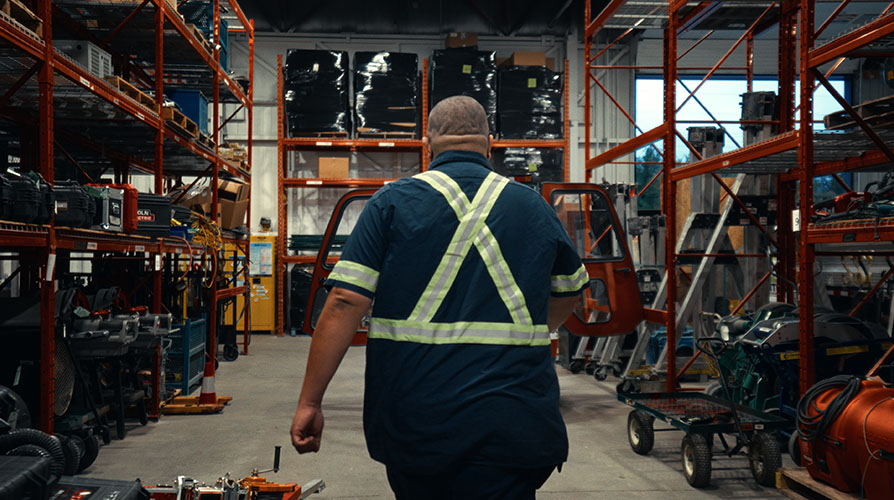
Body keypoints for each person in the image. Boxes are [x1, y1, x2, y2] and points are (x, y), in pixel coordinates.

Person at [290, 95, 589, 499]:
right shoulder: (532, 206)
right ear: (491, 140)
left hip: (417, 422)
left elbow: (345, 301)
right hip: (513, 425)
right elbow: (569, 292)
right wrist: (526, 328)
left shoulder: (390, 203)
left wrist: (310, 401)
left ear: (428, 142)